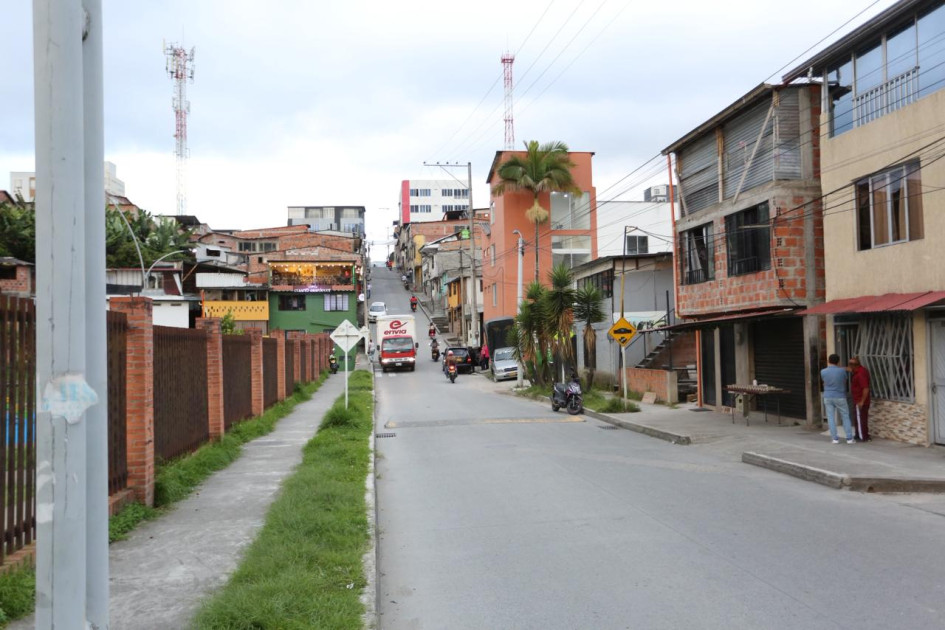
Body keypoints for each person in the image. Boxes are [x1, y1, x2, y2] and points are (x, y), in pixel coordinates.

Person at [821, 354, 854, 444]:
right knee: (845, 416)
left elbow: (824, 383)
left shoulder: (823, 371)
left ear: (828, 361)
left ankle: (835, 438)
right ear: (838, 361)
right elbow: (844, 381)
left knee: (830, 417)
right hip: (840, 396)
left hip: (827, 396)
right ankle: (849, 438)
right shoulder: (841, 371)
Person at [849, 356, 871, 441]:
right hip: (858, 399)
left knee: (860, 419)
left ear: (854, 365)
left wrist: (862, 401)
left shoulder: (860, 374)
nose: (849, 366)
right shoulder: (858, 370)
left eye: (850, 364)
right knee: (859, 418)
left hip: (859, 400)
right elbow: (848, 369)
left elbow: (865, 388)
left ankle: (862, 436)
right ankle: (859, 434)